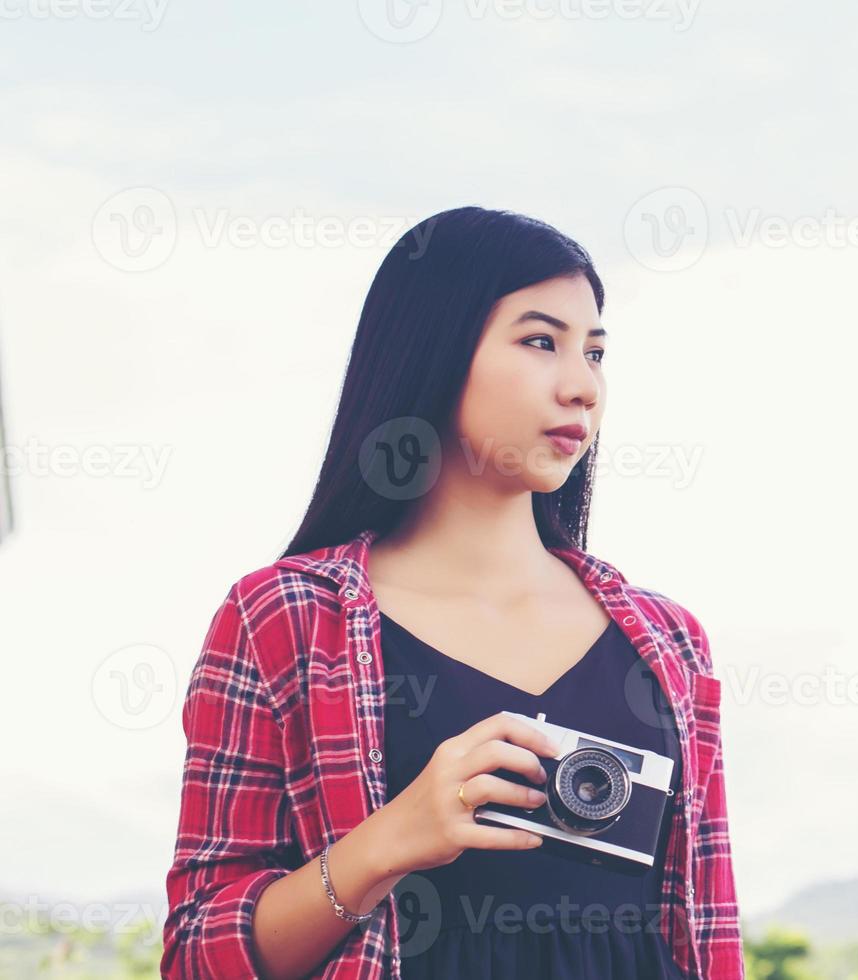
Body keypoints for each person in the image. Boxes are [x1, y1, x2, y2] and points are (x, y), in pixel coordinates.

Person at [161, 206, 743, 979]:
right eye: (541, 342)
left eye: (595, 353)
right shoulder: (285, 619)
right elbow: (199, 954)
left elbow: (705, 933)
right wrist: (388, 842)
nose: (581, 387)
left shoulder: (669, 641)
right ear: (434, 349)